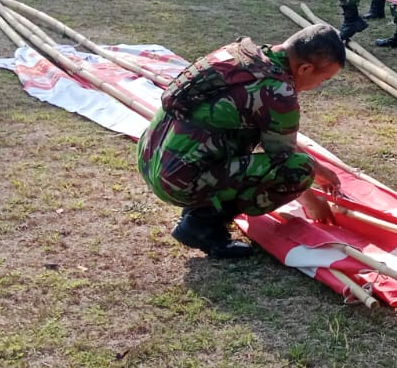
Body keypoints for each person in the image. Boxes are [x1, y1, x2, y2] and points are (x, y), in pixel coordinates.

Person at [138, 24, 347, 259]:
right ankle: (203, 225)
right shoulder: (277, 90)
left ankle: (202, 205)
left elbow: (277, 140)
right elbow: (285, 159)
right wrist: (312, 199)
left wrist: (321, 171)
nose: (318, 86)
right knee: (299, 170)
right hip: (177, 182)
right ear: (306, 68)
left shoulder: (243, 54)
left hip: (151, 157)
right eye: (323, 79)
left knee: (277, 154)